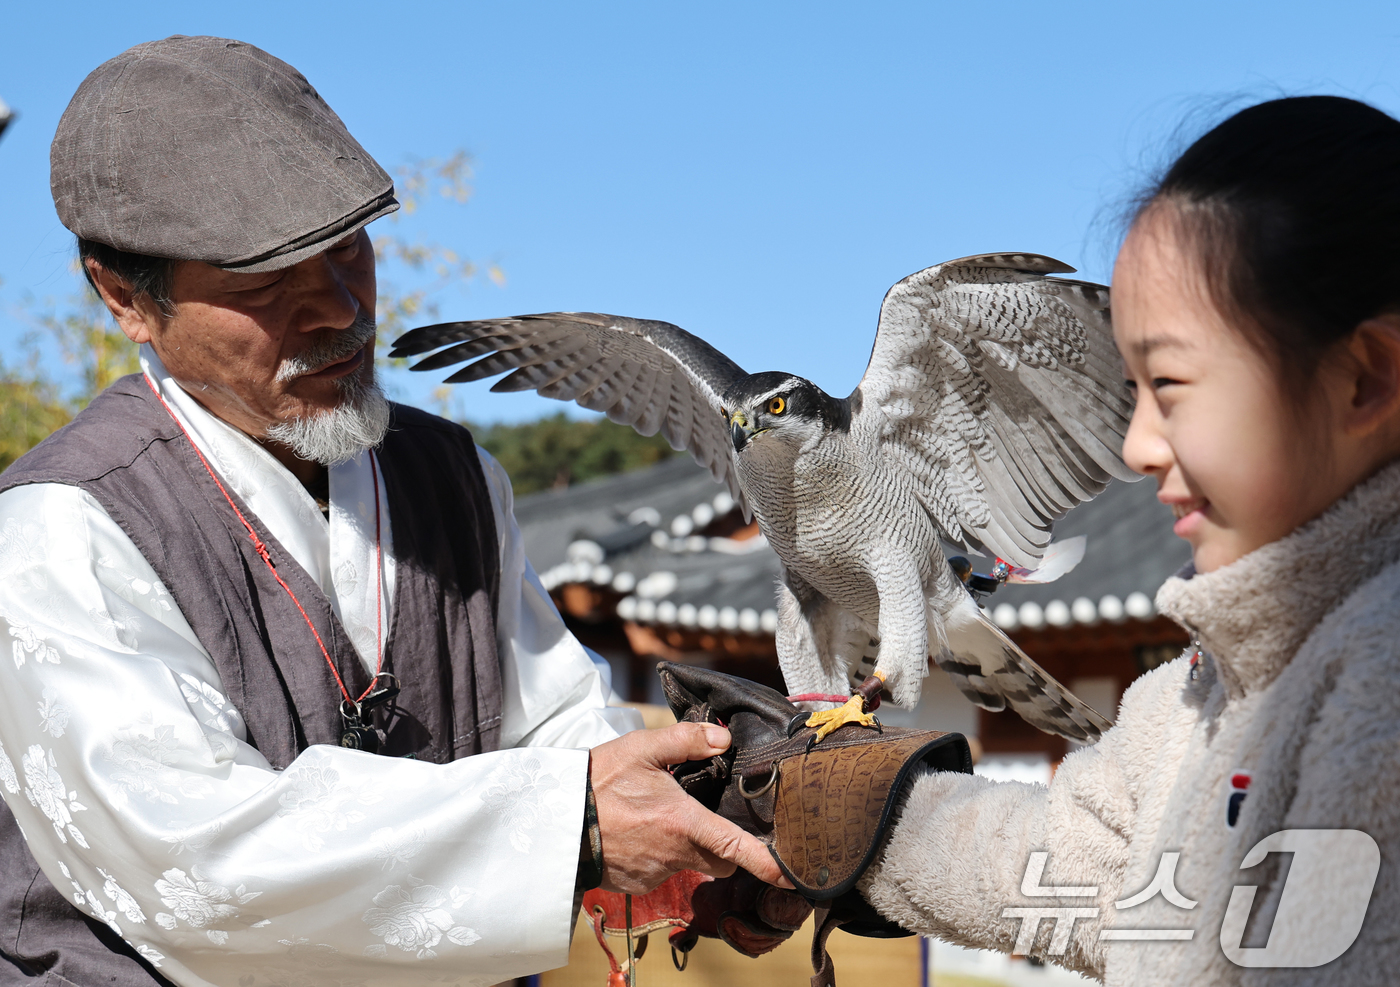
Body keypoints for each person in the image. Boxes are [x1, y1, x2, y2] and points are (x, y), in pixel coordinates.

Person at [0, 35, 783, 987]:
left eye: (349, 250)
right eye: (261, 286)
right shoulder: (62, 527)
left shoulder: (451, 473)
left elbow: (560, 733)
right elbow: (199, 860)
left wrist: (727, 807)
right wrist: (569, 824)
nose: (336, 308)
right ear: (125, 297)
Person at [858, 95, 1400, 984]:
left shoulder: (1380, 671)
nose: (1137, 446)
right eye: (1132, 387)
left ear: (1363, 378)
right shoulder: (1202, 687)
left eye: (1172, 383)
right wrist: (867, 821)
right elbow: (1087, 870)